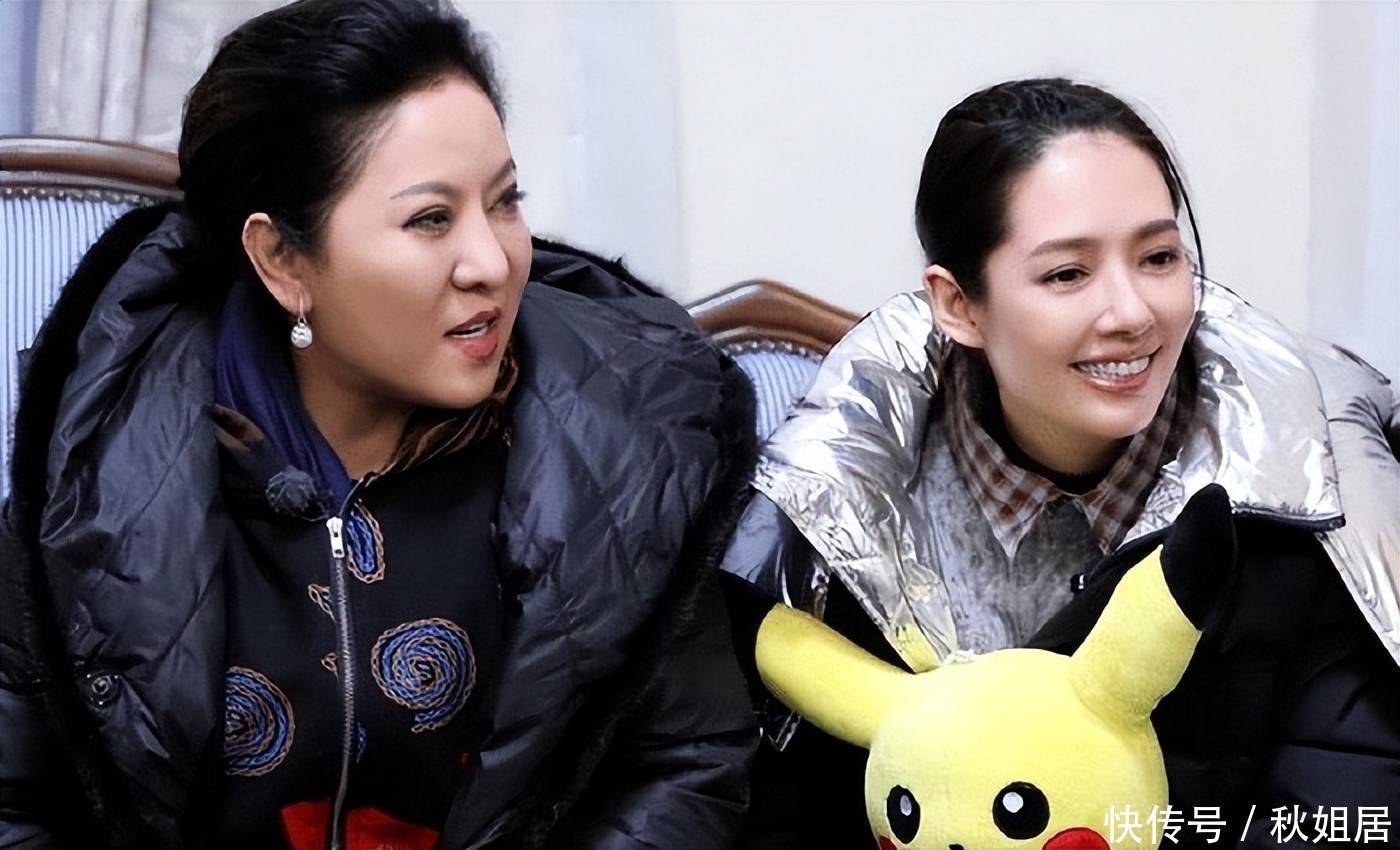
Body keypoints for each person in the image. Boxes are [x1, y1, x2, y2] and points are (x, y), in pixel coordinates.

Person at [0, 1, 758, 847]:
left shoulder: (621, 438)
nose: (493, 261)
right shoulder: (103, 455)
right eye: (431, 219)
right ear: (283, 260)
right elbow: (16, 801)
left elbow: (684, 763)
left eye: (505, 201)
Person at [724, 78, 1400, 849]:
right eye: (1067, 274)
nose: (1132, 313)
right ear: (958, 304)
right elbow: (783, 810)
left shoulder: (1300, 483)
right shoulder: (844, 508)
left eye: (1158, 257)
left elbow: (1347, 808)